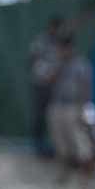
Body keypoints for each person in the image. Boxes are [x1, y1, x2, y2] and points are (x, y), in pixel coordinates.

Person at [48, 33, 95, 183]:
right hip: (57, 106)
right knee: (60, 143)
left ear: (70, 48)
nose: (62, 51)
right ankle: (64, 174)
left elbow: (86, 87)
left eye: (64, 48)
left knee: (80, 142)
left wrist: (84, 108)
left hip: (74, 107)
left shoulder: (81, 64)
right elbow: (48, 79)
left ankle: (87, 176)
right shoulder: (57, 63)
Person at [28, 16, 64, 155]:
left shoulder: (59, 44)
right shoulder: (41, 41)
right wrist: (45, 75)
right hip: (41, 84)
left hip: (54, 86)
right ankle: (37, 144)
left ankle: (54, 144)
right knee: (39, 114)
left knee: (53, 116)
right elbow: (33, 60)